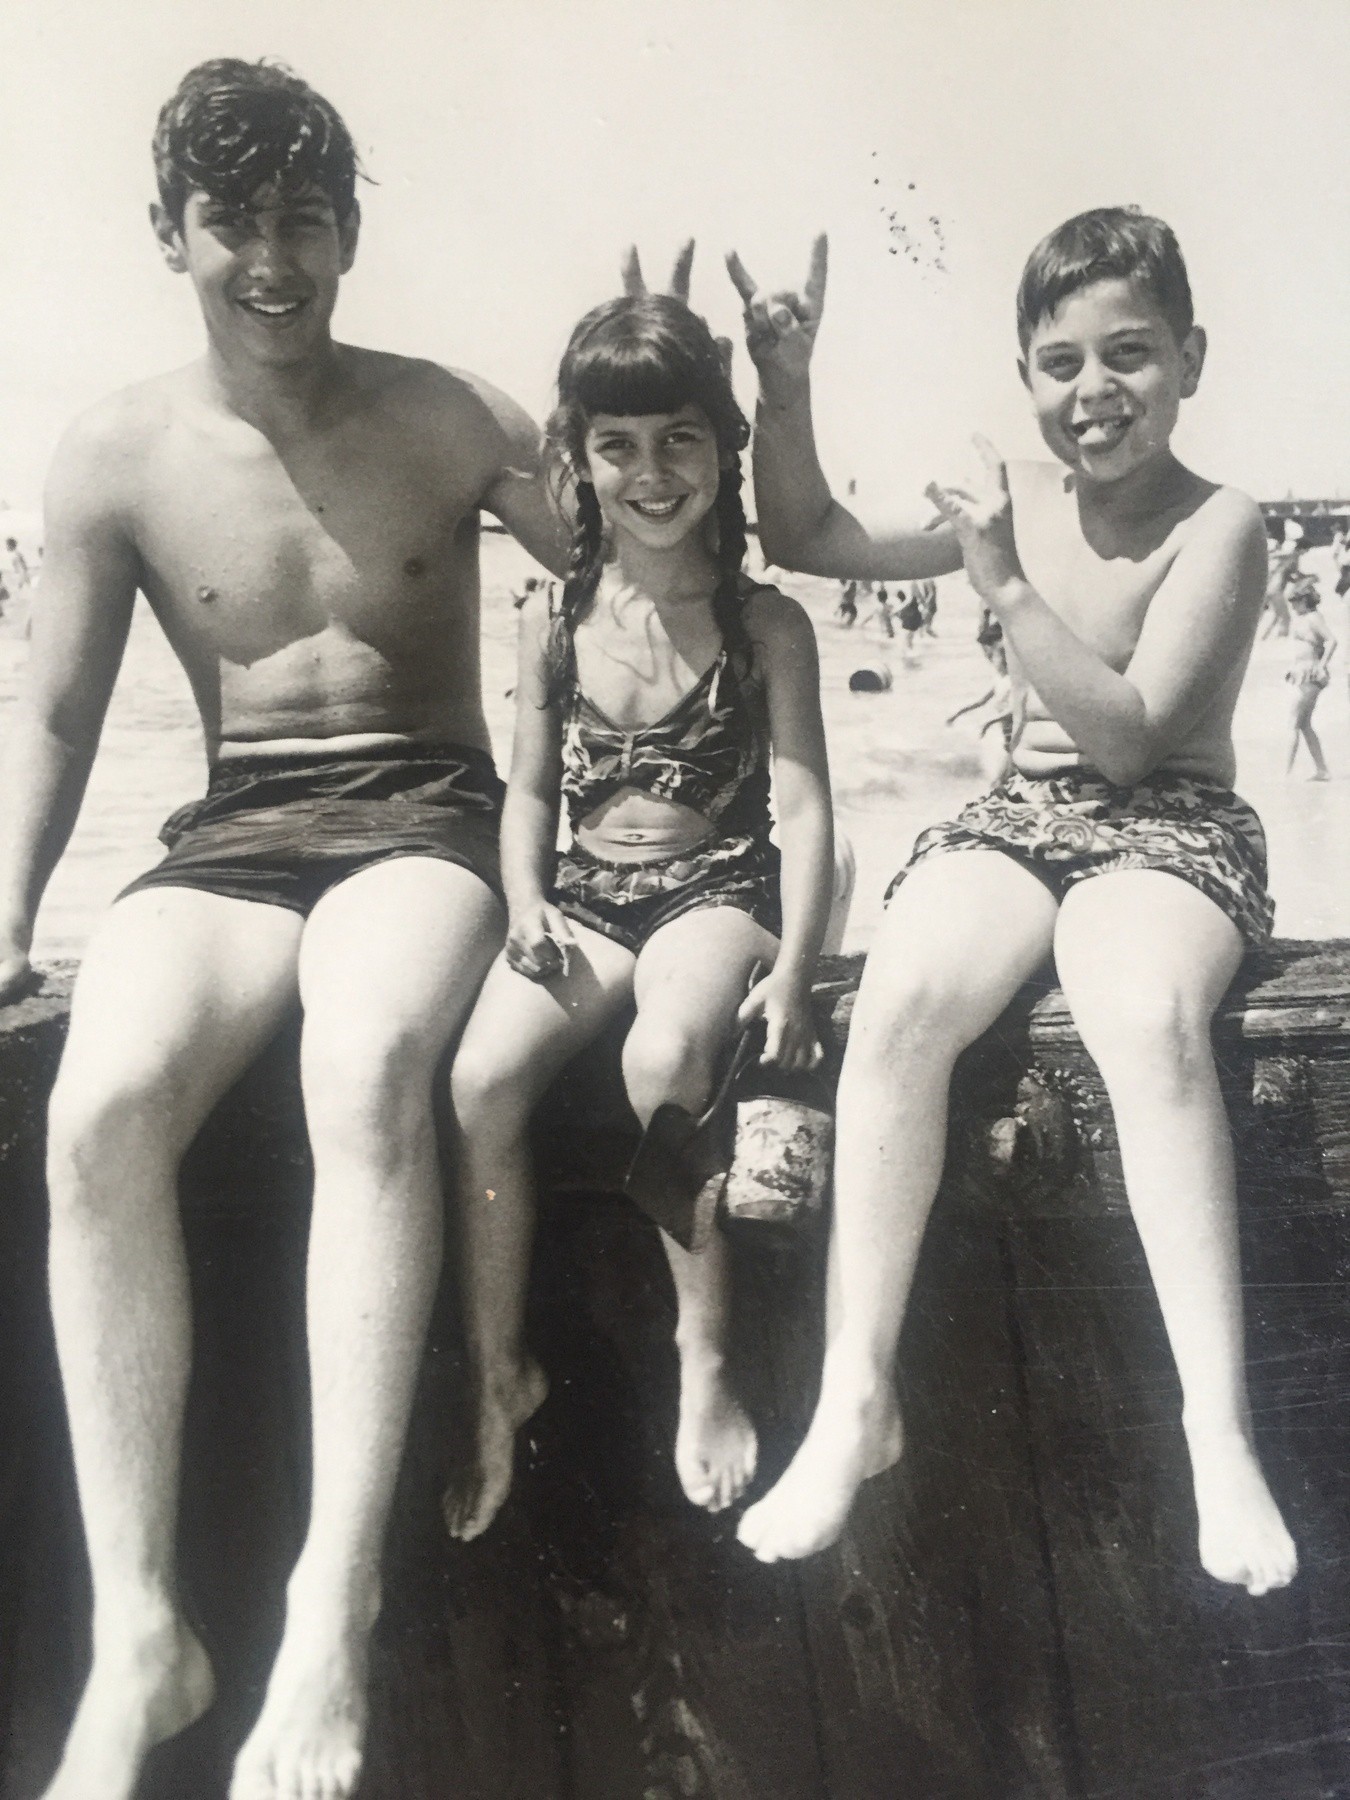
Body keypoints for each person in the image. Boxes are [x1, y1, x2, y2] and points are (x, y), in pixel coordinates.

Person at [0, 60, 567, 1800]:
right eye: (232, 220)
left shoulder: (454, 415)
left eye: (305, 219)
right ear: (168, 232)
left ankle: (334, 1596)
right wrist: (7, 916)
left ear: (350, 232)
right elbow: (57, 713)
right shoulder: (112, 454)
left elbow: (653, 560)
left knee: (371, 1054)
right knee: (96, 1113)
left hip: (428, 813)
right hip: (237, 826)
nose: (272, 258)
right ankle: (141, 1630)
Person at [726, 209, 1299, 1596]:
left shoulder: (1219, 525)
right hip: (1019, 820)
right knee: (903, 999)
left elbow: (1130, 740)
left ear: (1190, 359)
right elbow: (803, 534)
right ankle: (855, 1395)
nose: (1093, 391)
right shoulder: (1020, 499)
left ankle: (1215, 1429)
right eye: (1059, 363)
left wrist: (999, 578)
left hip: (1169, 820)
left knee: (1139, 1012)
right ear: (1025, 373)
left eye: (1128, 355)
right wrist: (784, 391)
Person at [442, 281, 834, 1545]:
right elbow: (529, 791)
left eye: (680, 440)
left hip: (719, 891)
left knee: (662, 1056)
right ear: (577, 457)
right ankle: (498, 1370)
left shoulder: (764, 624)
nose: (653, 474)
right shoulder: (552, 620)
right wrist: (525, 901)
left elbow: (807, 811)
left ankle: (702, 1353)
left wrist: (796, 967)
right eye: (618, 445)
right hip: (588, 898)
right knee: (481, 1078)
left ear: (725, 448)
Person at [1284, 576, 1335, 779]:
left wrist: (1321, 666)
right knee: (1304, 724)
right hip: (1302, 672)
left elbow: (1332, 640)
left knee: (1293, 723)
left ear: (1304, 600)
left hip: (1310, 673)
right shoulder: (1305, 618)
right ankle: (1322, 770)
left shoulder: (1314, 617)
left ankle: (1285, 774)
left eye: (1295, 602)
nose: (1292, 606)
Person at [946, 635, 1014, 784]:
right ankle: (1002, 780)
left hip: (1012, 724)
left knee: (1010, 751)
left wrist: (989, 722)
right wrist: (957, 713)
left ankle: (1000, 782)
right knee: (1008, 751)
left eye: (995, 658)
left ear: (1006, 660)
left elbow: (1014, 709)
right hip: (1004, 724)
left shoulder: (1011, 681)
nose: (992, 661)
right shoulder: (999, 679)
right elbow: (981, 701)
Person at [1260, 522, 1301, 639]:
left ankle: (1263, 636)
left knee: (1268, 615)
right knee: (1284, 617)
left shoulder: (1273, 560)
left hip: (1267, 587)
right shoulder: (1287, 556)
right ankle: (1280, 638)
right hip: (1275, 589)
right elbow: (1292, 573)